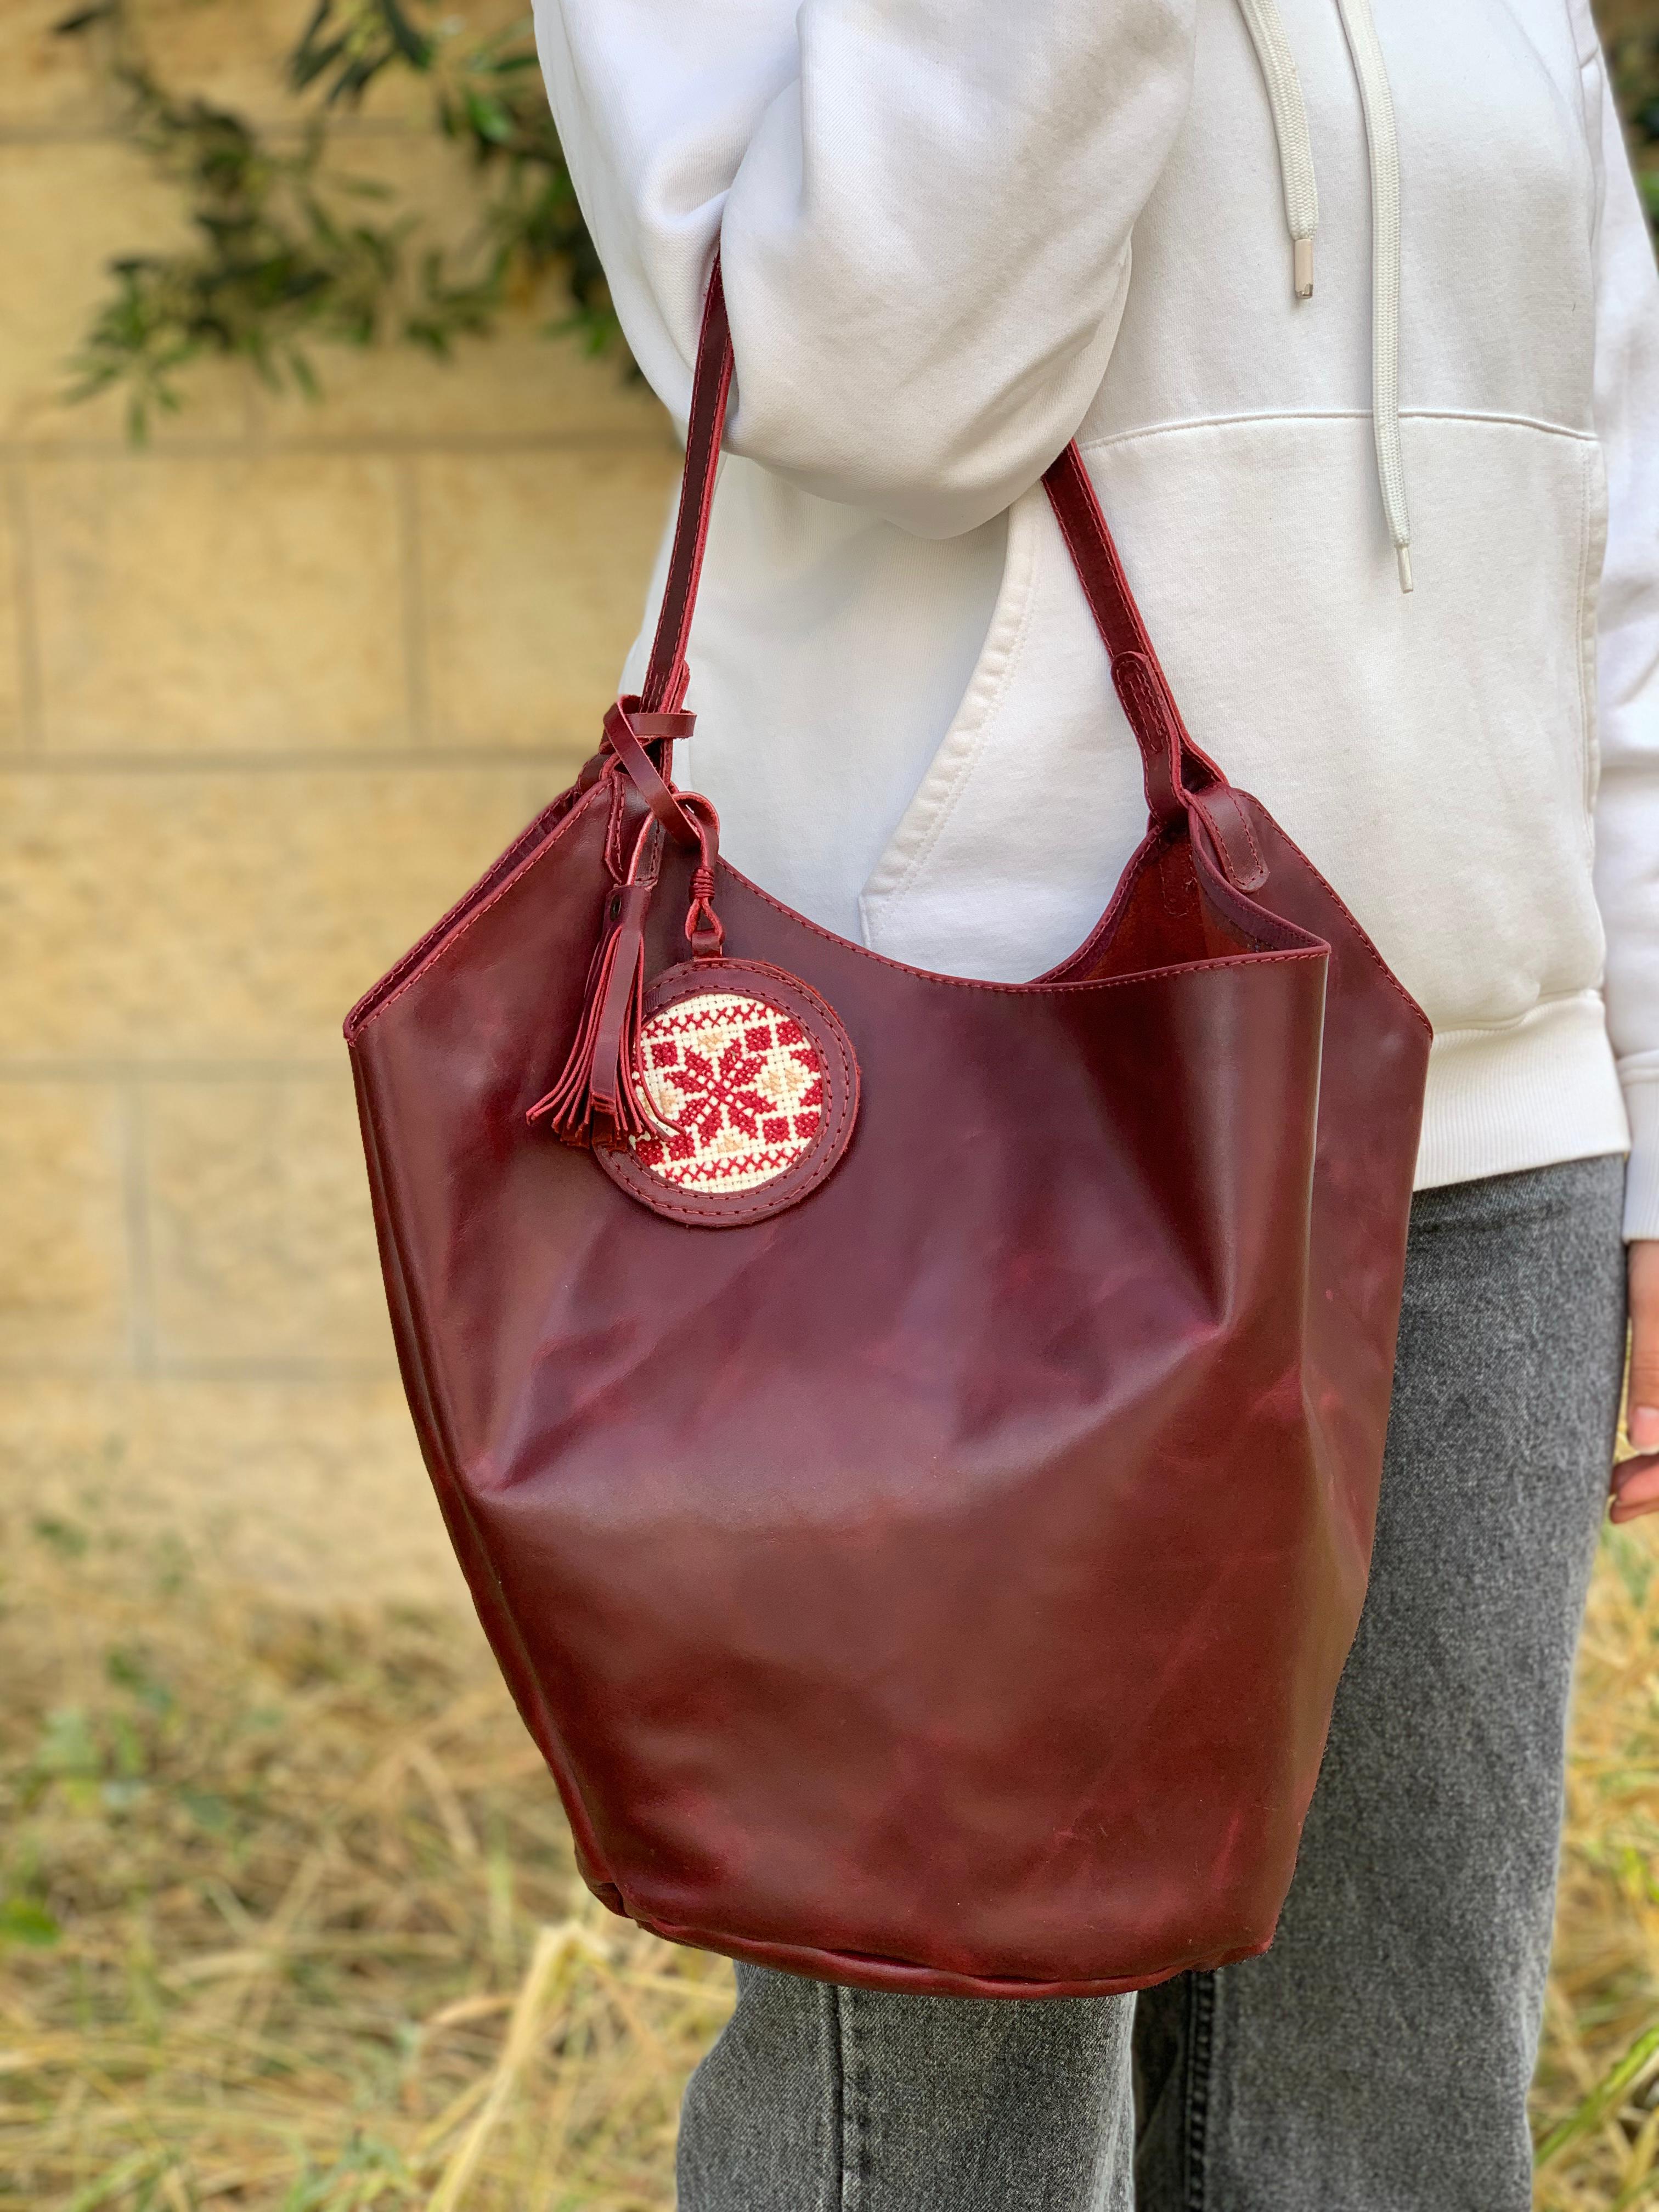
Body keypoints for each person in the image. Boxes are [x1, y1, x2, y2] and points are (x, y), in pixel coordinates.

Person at [531, 0, 1659, 2202]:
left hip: (1479, 1129)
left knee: (1395, 2135)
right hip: (976, 1123)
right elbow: (887, 394)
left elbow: (1613, 527)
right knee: (948, 2127)